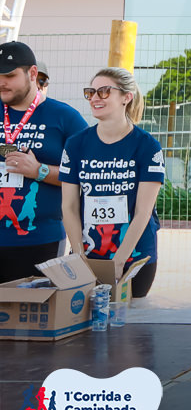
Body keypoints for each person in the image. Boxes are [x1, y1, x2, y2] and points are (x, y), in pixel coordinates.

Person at [59, 67, 163, 299]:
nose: (95, 98)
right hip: (89, 255)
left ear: (126, 97)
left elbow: (143, 212)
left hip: (135, 258)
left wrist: (119, 262)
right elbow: (69, 206)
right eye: (90, 92)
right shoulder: (75, 144)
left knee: (129, 320)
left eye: (104, 91)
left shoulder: (147, 146)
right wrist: (79, 256)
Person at [0, 42, 87, 282]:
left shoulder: (64, 117)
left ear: (32, 73)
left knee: (32, 305)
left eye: (9, 75)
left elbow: (87, 175)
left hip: (40, 241)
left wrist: (40, 170)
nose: (2, 82)